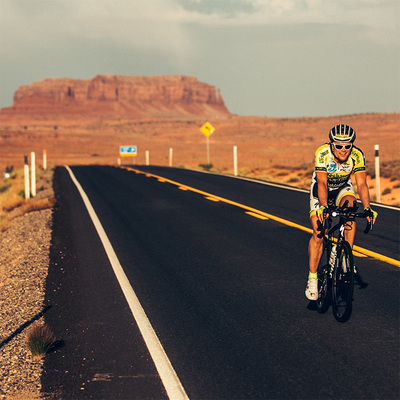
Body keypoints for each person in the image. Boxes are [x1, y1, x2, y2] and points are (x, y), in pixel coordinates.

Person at [305, 124, 378, 301]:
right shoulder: (322, 153)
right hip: (322, 190)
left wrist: (368, 207)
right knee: (319, 231)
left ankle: (346, 256)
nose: (343, 150)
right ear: (331, 144)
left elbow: (361, 184)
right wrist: (323, 206)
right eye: (339, 145)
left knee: (352, 208)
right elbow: (321, 183)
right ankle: (313, 278)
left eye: (347, 146)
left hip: (342, 189)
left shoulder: (357, 155)